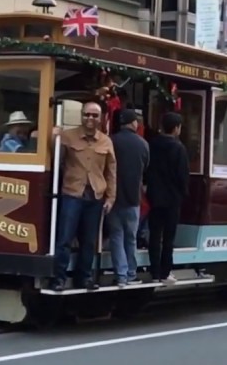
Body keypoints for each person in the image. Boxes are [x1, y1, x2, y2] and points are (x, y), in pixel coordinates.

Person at [49, 101, 117, 291]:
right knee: (64, 239)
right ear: (81, 115)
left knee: (89, 241)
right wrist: (51, 137)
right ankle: (59, 279)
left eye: (94, 115)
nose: (90, 118)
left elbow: (111, 172)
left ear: (100, 118)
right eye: (87, 114)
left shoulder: (106, 141)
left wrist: (111, 198)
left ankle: (84, 278)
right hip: (72, 194)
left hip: (95, 197)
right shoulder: (68, 136)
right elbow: (55, 159)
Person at [106, 109, 149, 287]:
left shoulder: (111, 141)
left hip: (113, 197)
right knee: (130, 238)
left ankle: (121, 275)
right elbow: (145, 167)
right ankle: (132, 273)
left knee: (116, 236)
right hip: (133, 198)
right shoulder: (143, 144)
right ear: (133, 123)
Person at [144, 111, 188, 284]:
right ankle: (165, 271)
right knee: (168, 237)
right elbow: (182, 176)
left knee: (154, 235)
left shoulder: (152, 144)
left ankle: (154, 271)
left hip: (154, 197)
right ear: (176, 128)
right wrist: (183, 193)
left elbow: (147, 169)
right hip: (172, 199)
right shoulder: (179, 148)